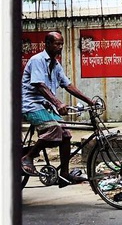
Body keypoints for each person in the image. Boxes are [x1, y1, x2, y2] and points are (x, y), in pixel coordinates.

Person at [21, 31, 96, 186]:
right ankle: (28, 157)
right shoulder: (37, 60)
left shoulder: (55, 64)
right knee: (54, 128)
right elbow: (40, 85)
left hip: (45, 106)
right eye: (57, 44)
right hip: (31, 105)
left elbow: (68, 85)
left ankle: (64, 174)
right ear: (47, 44)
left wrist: (90, 101)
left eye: (61, 44)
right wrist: (58, 103)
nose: (60, 47)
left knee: (66, 133)